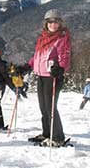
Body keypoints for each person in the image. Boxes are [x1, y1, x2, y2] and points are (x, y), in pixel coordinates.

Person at [27, 9, 71, 147]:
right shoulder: (43, 39)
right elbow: (37, 57)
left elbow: (65, 56)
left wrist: (60, 68)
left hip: (53, 77)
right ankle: (47, 133)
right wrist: (27, 66)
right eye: (50, 22)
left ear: (59, 23)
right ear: (46, 24)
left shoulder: (61, 38)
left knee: (50, 108)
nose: (53, 24)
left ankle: (58, 137)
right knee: (43, 107)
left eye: (56, 22)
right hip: (41, 76)